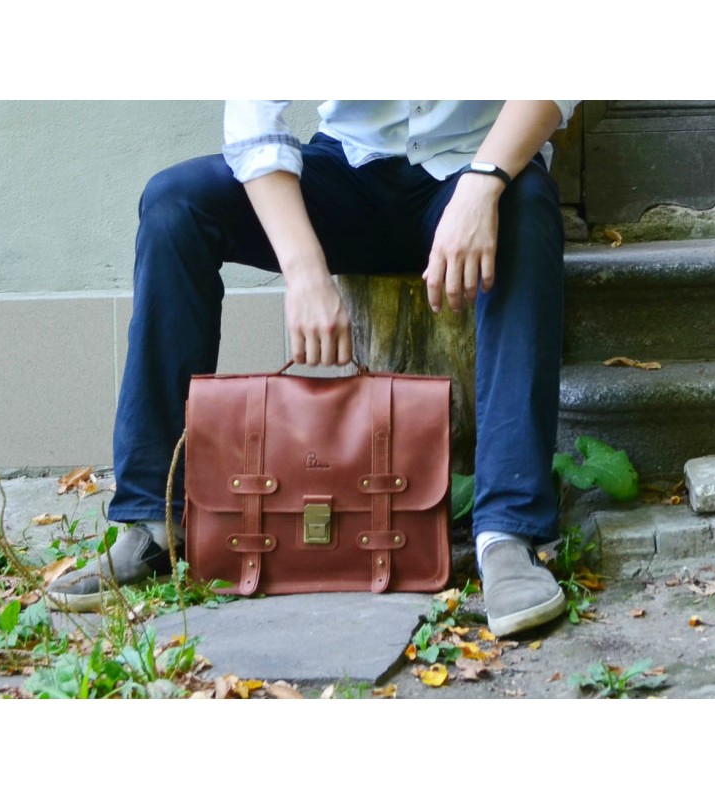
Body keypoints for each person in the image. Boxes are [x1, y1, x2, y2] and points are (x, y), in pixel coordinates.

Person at [47, 100, 579, 636]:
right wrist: (304, 273)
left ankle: (507, 535)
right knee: (175, 203)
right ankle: (154, 522)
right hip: (348, 168)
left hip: (475, 168)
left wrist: (483, 183)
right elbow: (254, 117)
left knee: (527, 203)